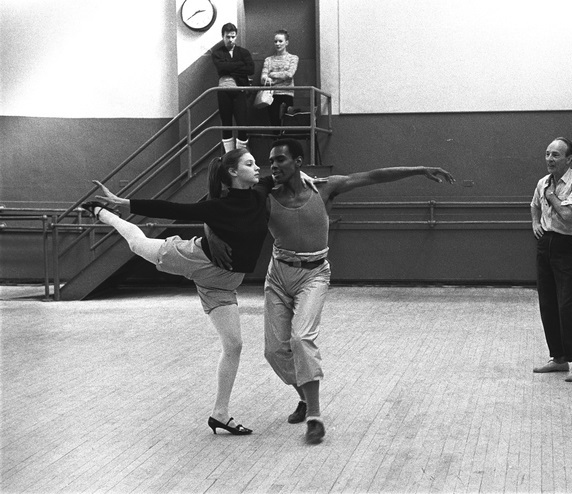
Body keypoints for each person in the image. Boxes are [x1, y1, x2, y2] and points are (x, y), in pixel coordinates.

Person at [206, 139, 455, 444]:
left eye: (280, 160)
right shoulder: (265, 195)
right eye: (270, 161)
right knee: (274, 352)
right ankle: (304, 397)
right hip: (279, 275)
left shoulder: (324, 189)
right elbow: (220, 201)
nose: (273, 166)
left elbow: (373, 176)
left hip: (314, 275)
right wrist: (209, 232)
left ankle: (314, 416)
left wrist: (420, 169)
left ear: (298, 163)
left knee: (300, 338)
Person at [82, 149, 317, 435]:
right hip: (194, 258)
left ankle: (220, 414)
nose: (259, 168)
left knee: (234, 345)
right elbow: (172, 210)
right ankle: (102, 213)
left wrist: (300, 175)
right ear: (233, 172)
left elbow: (276, 178)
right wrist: (122, 202)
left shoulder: (259, 193)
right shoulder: (218, 206)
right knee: (137, 243)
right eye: (250, 163)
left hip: (222, 283)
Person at [530, 137, 572, 382]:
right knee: (547, 301)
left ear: (569, 159)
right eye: (547, 154)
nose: (549, 159)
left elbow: (567, 215)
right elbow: (534, 204)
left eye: (555, 155)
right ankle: (558, 358)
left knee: (565, 303)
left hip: (568, 244)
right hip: (546, 243)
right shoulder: (542, 182)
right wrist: (535, 222)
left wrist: (552, 195)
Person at [211, 23, 256, 152]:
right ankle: (229, 156)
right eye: (227, 37)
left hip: (239, 90)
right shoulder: (217, 53)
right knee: (226, 125)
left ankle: (240, 155)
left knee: (242, 125)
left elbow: (251, 69)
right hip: (224, 92)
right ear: (222, 37)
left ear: (236, 36)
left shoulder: (243, 52)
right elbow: (221, 68)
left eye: (233, 37)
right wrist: (240, 66)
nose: (230, 40)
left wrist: (229, 67)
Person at [260, 29, 299, 128]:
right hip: (271, 95)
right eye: (275, 41)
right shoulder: (268, 60)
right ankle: (277, 143)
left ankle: (285, 143)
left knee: (287, 122)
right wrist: (267, 78)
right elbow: (263, 78)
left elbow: (289, 74)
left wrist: (272, 75)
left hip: (287, 94)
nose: (277, 44)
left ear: (286, 42)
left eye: (280, 41)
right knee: (274, 123)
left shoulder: (293, 58)